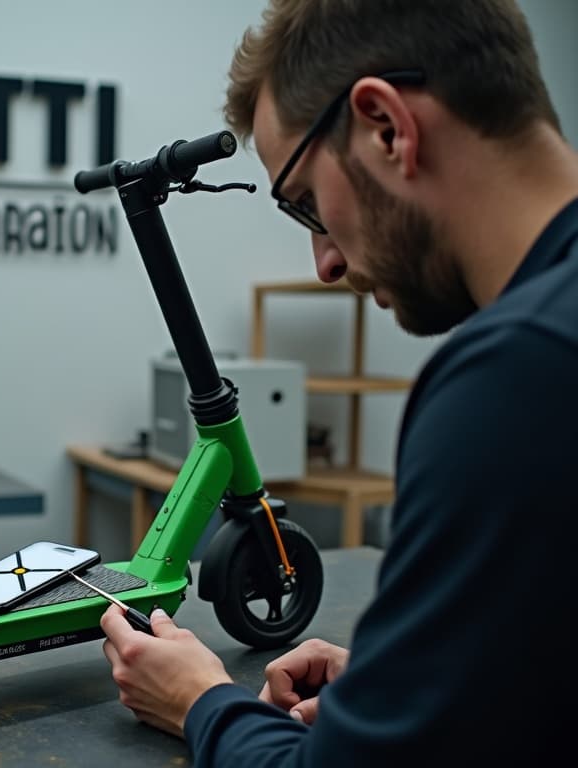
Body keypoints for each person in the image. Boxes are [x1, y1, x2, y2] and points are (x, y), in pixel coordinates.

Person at [99, 0, 578, 764]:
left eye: (307, 207)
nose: (326, 263)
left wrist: (202, 703)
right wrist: (416, 690)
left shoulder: (515, 378)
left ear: (387, 127)